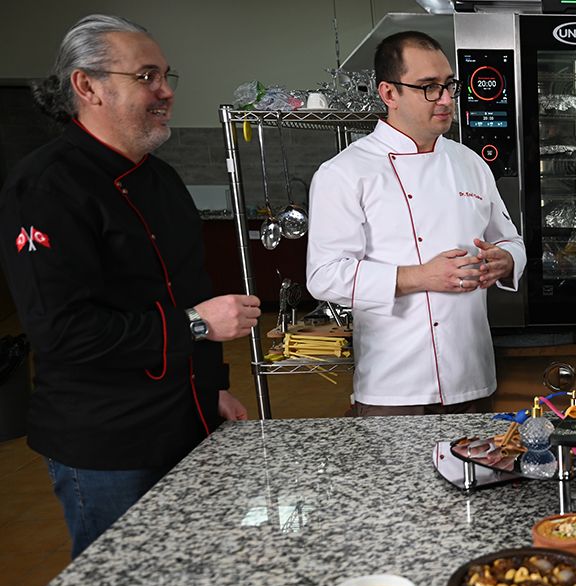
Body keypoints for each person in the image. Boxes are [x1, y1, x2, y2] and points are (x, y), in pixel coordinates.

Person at [0, 15, 261, 557]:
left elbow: (185, 289)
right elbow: (64, 333)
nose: (165, 91)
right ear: (87, 85)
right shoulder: (45, 186)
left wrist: (208, 389)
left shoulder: (160, 178)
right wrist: (197, 324)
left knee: (193, 568)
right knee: (122, 581)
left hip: (186, 420)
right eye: (146, 76)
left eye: (165, 75)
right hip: (108, 444)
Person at [307, 31, 525, 416]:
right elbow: (324, 276)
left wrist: (505, 260)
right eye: (428, 87)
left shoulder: (470, 163)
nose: (445, 99)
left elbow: (511, 241)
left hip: (472, 375)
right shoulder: (345, 172)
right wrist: (421, 276)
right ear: (389, 93)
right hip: (394, 387)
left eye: (449, 85)